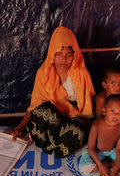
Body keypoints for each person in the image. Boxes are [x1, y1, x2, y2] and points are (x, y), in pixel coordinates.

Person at [12, 26, 95, 158]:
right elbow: (35, 106)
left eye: (69, 55)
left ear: (75, 54)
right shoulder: (44, 73)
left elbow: (87, 111)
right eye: (59, 54)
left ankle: (50, 144)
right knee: (45, 112)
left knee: (76, 131)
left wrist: (86, 129)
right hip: (52, 121)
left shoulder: (82, 74)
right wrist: (19, 127)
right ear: (52, 54)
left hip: (73, 118)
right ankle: (54, 141)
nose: (64, 59)